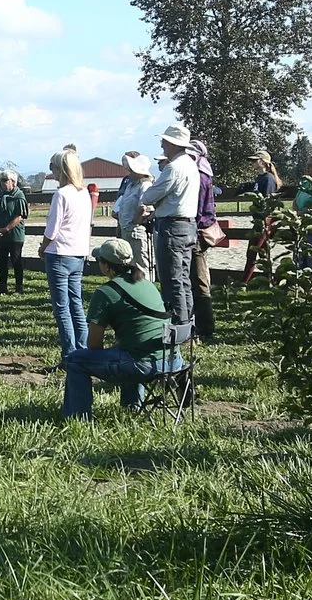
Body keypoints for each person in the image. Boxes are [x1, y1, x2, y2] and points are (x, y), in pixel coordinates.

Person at [61, 238, 183, 419]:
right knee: (127, 349)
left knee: (74, 360)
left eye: (99, 260)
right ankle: (132, 405)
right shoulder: (146, 283)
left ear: (107, 267)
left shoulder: (105, 293)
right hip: (172, 360)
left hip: (144, 365)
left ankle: (77, 417)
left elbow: (94, 344)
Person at [140, 123, 202, 331]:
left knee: (172, 278)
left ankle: (178, 325)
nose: (162, 144)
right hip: (188, 226)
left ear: (174, 144)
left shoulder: (173, 168)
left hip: (172, 227)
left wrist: (154, 202)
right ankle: (188, 322)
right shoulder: (191, 165)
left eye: (165, 141)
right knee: (183, 279)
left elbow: (148, 196)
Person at [40, 146, 92, 354]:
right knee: (76, 304)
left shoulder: (61, 194)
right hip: (78, 253)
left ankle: (69, 354)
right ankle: (83, 348)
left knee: (61, 308)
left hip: (59, 253)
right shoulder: (84, 193)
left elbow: (52, 229)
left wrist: (43, 247)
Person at [237, 148, 283, 286]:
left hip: (264, 220)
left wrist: (263, 218)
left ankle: (244, 283)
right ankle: (269, 281)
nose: (252, 163)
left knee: (252, 252)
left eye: (255, 161)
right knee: (263, 253)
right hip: (259, 220)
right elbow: (255, 188)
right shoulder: (260, 178)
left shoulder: (268, 179)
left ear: (263, 162)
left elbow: (267, 201)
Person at [188, 139, 219, 340]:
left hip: (197, 233)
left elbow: (196, 210)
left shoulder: (199, 177)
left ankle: (206, 327)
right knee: (197, 278)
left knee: (198, 280)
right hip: (201, 231)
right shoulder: (205, 175)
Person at [114, 152, 156, 281]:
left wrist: (135, 221)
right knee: (130, 263)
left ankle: (145, 292)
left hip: (135, 230)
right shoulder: (131, 185)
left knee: (140, 264)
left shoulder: (145, 185)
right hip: (126, 228)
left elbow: (145, 206)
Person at [0, 168, 30, 295]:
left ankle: (19, 288)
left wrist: (6, 229)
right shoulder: (0, 196)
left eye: (5, 180)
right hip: (0, 235)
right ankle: (2, 286)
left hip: (14, 236)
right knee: (1, 261)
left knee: (16, 261)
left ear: (13, 181)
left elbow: (20, 216)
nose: (2, 183)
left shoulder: (19, 196)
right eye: (1, 180)